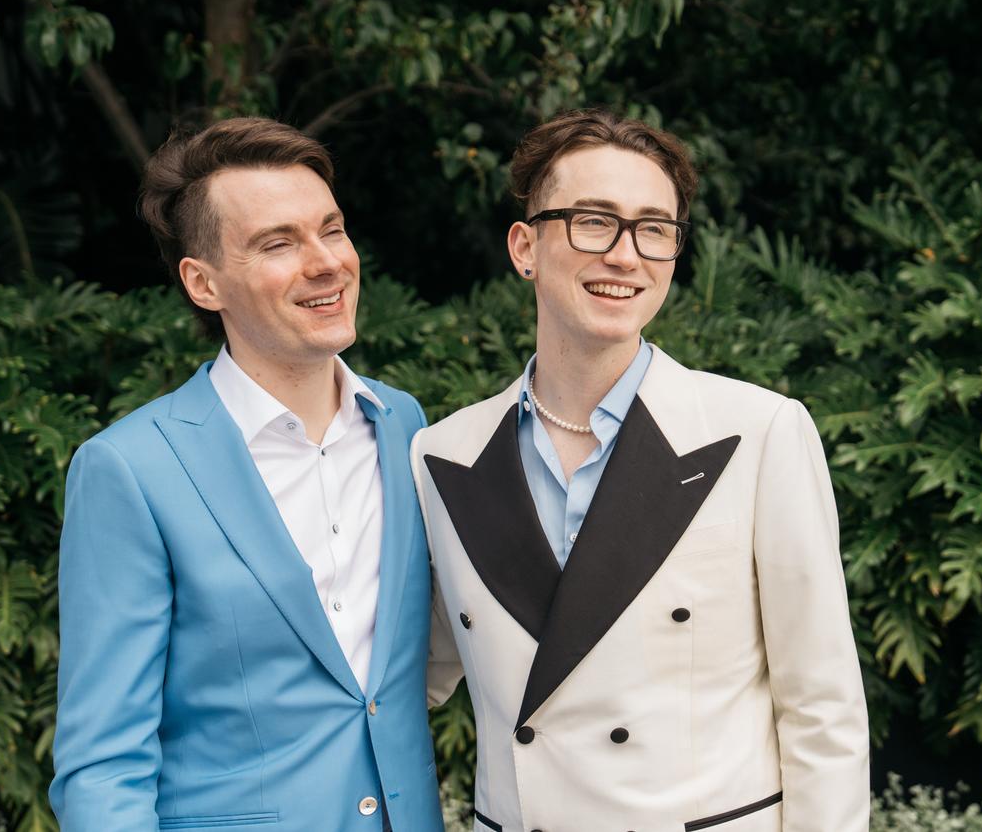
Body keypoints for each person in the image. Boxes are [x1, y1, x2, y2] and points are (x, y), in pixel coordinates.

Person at [412, 109, 869, 831]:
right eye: (594, 222)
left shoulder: (759, 433)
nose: (626, 255)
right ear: (525, 246)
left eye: (654, 229)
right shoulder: (442, 455)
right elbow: (404, 682)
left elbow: (822, 708)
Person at [51, 118, 448, 832]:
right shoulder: (130, 470)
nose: (325, 262)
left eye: (332, 230)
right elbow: (104, 765)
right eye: (278, 243)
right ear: (203, 283)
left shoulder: (404, 425)